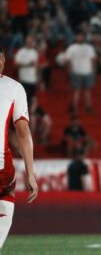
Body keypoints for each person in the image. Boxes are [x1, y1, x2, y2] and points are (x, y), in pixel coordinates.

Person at [0, 47, 38, 250]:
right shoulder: (14, 88)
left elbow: (23, 134)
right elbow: (23, 133)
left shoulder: (14, 87)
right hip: (1, 167)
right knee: (7, 193)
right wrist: (30, 174)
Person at [64, 32, 97, 113]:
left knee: (87, 90)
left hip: (88, 71)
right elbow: (68, 60)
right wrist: (69, 70)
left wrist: (93, 70)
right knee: (76, 90)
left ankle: (88, 107)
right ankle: (74, 107)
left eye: (81, 36)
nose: (80, 37)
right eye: (79, 36)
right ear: (76, 37)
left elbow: (93, 60)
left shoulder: (89, 48)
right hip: (76, 71)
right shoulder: (72, 47)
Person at [14, 35, 39, 106]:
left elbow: (36, 66)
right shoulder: (21, 52)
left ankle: (31, 114)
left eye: (31, 41)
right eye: (29, 41)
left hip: (33, 80)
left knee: (33, 98)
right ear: (26, 41)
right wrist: (28, 65)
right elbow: (16, 65)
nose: (30, 42)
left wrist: (37, 77)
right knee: (24, 99)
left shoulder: (34, 52)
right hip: (24, 79)